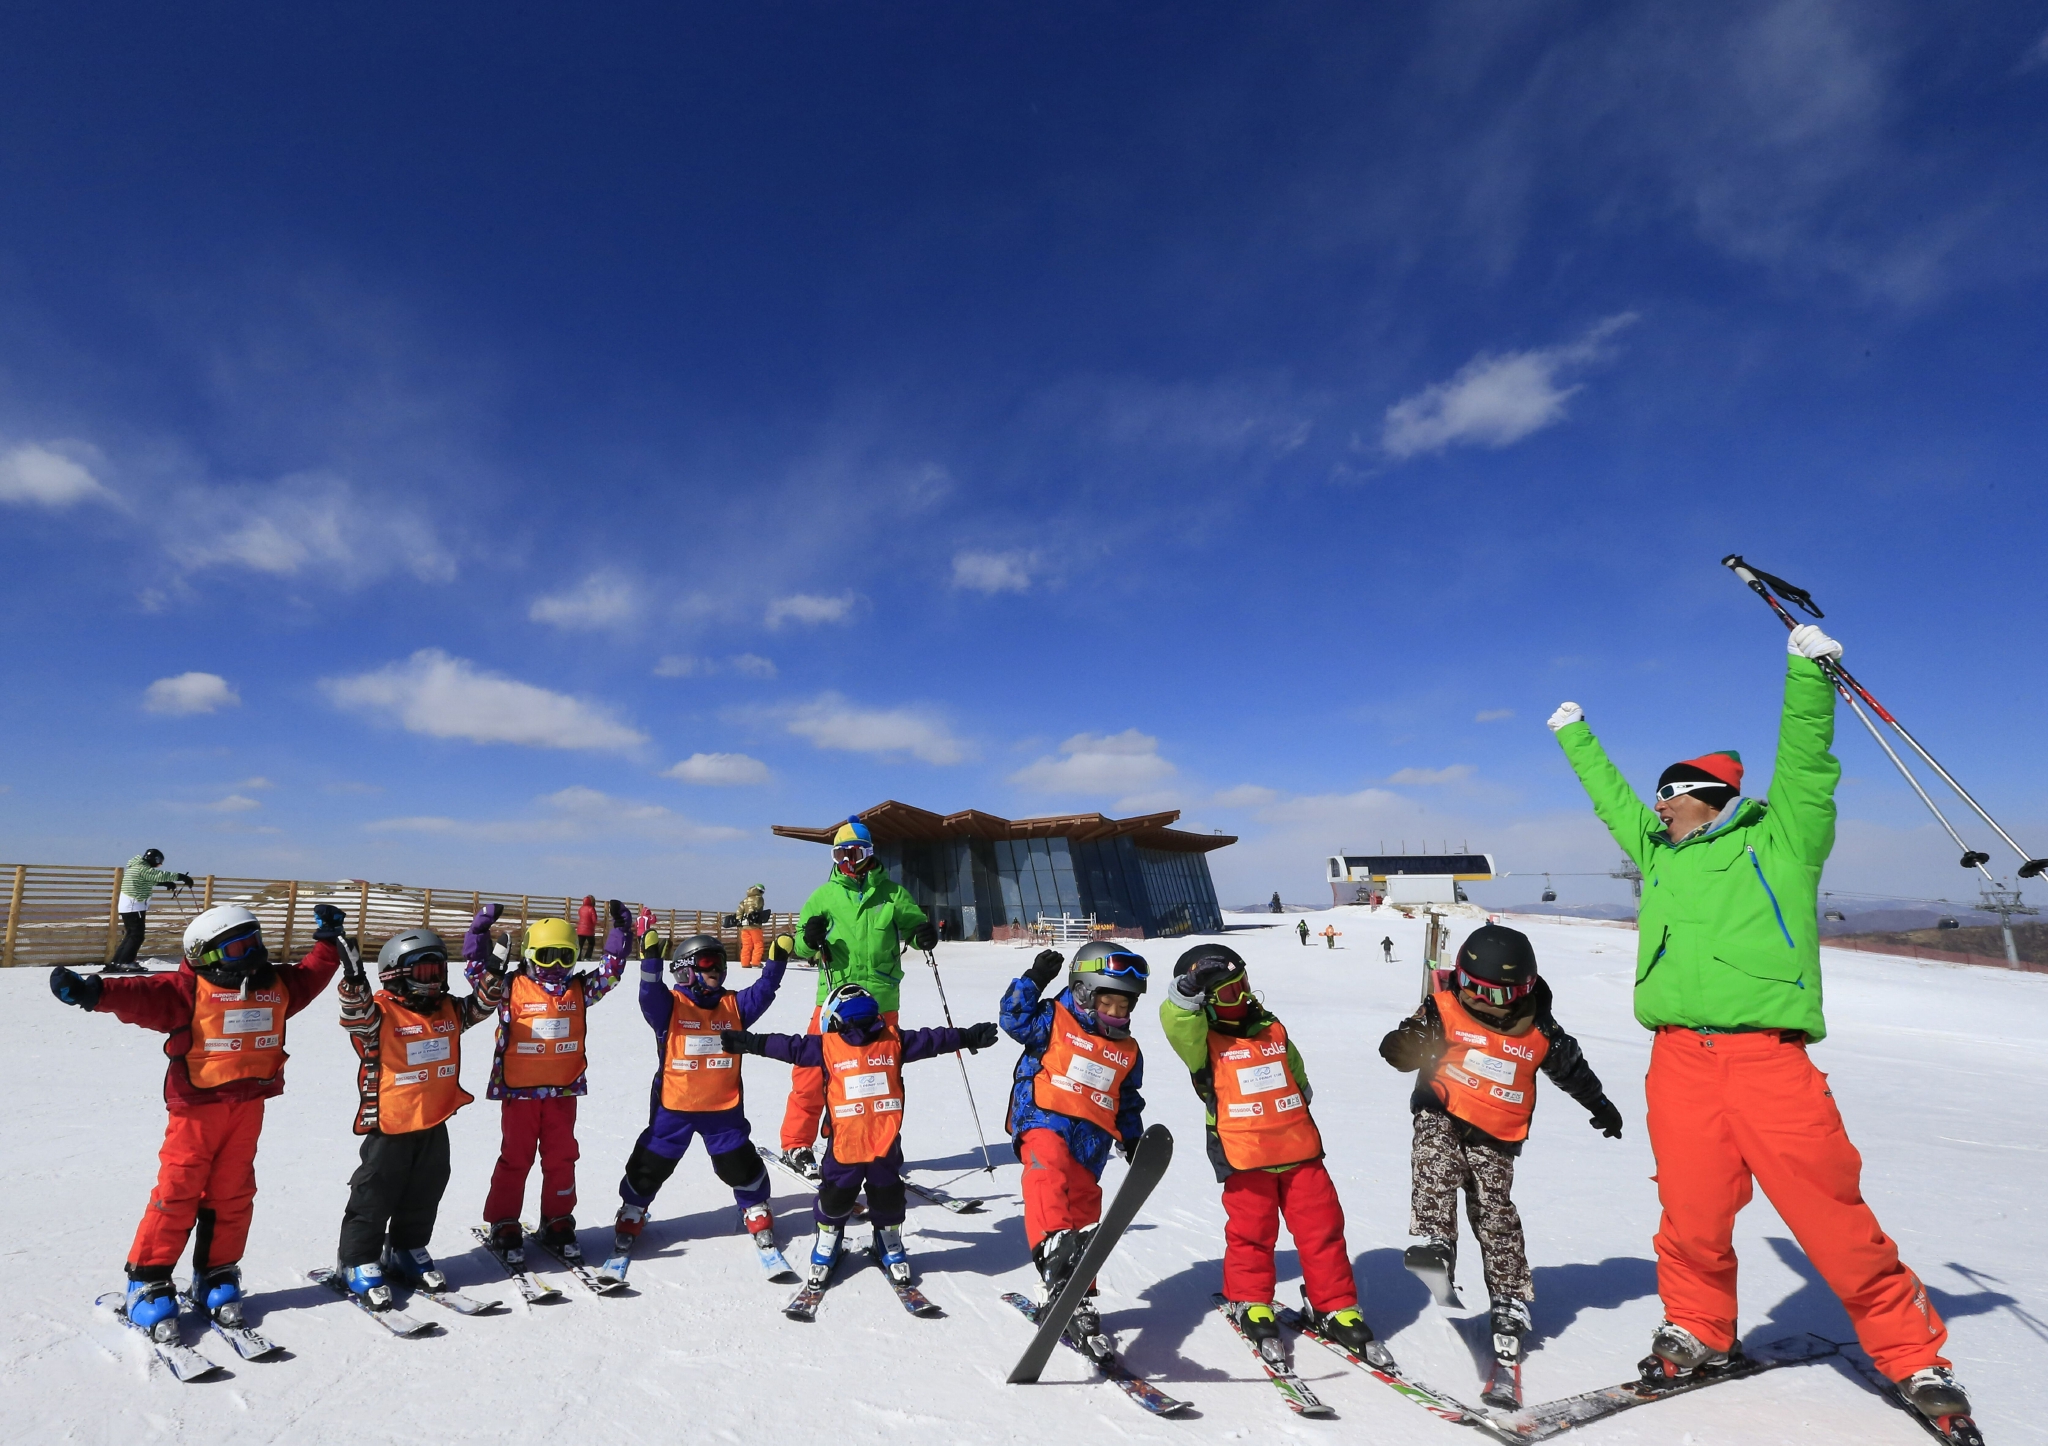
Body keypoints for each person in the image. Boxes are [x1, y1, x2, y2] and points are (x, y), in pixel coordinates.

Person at [1549, 621, 1970, 1426]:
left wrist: (1807, 678)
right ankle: (1700, 1330)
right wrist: (1576, 737)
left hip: (1769, 1062)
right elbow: (1609, 800)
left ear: (1699, 799)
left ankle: (1914, 1359)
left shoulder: (1781, 841)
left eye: (1666, 795)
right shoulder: (1660, 854)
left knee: (1831, 1220)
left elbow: (1808, 768)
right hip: (1676, 1061)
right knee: (1692, 1214)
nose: (1655, 806)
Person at [49, 902, 342, 1335]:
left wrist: (327, 944)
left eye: (255, 942)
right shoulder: (186, 991)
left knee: (234, 1192)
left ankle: (217, 1273)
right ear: (206, 955)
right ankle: (147, 1281)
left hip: (248, 1106)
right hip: (196, 1109)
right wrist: (93, 992)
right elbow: (141, 994)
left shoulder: (276, 985)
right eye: (238, 948)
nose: (252, 955)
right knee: (178, 1190)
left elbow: (311, 974)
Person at [1378, 923, 1623, 1368]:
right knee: (1435, 1157)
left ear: (1522, 989)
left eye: (1492, 994)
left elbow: (1573, 1071)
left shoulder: (1541, 1032)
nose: (1475, 999)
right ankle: (1438, 1241)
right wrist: (1403, 1047)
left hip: (1497, 1132)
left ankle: (1509, 1297)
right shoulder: (1443, 1008)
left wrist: (1600, 1105)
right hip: (1444, 1108)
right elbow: (1412, 1036)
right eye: (1469, 986)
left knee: (1495, 1212)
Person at [1159, 943, 1378, 1355]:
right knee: (1251, 1232)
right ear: (1206, 1002)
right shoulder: (1201, 1041)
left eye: (1243, 985)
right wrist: (1188, 987)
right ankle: (1251, 1299)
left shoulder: (1271, 1027)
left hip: (1298, 1149)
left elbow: (1294, 1070)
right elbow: (1176, 1021)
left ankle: (1335, 1306)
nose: (1242, 998)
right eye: (1227, 993)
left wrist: (1298, 1098)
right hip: (1244, 1155)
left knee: (1322, 1229)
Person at [724, 983, 997, 1285]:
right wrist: (967, 1036)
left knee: (852, 1198)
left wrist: (750, 1042)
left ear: (834, 1020)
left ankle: (886, 1244)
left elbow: (788, 1046)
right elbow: (935, 1039)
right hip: (870, 1146)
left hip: (861, 1147)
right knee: (874, 1197)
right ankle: (832, 1244)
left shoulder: (848, 1043)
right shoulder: (888, 1040)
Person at [333, 926, 504, 1308]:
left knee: (426, 1191)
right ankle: (357, 1260)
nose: (433, 981)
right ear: (395, 973)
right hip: (390, 1126)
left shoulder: (449, 1010)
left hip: (432, 1121)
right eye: (423, 972)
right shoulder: (379, 1014)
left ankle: (407, 1249)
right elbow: (355, 1016)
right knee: (375, 1194)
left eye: (438, 971)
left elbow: (480, 1006)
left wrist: (493, 974)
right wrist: (354, 979)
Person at [611, 929, 790, 1264]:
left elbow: (764, 992)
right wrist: (651, 961)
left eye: (721, 962)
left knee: (737, 1163)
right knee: (652, 1161)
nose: (717, 969)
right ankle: (634, 1208)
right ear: (685, 969)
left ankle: (753, 1205)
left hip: (723, 1109)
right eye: (708, 962)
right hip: (674, 1108)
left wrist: (776, 963)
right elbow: (649, 994)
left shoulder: (733, 1005)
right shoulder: (671, 1006)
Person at [1000, 942, 1147, 1345]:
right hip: (1043, 1119)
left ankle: (1073, 1292)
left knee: (1084, 1204)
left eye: (1125, 1006)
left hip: (1091, 1142)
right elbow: (1013, 1019)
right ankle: (1052, 1250)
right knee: (1045, 1174)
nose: (1117, 1014)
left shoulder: (1127, 1050)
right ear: (1084, 992)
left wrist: (1133, 1138)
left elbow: (1128, 1099)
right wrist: (1033, 980)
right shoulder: (1053, 1018)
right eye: (1109, 1003)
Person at [467, 903, 629, 1263]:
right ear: (528, 954)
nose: (556, 965)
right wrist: (479, 934)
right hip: (520, 1093)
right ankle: (505, 1222)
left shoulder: (579, 990)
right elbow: (477, 974)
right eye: (547, 956)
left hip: (562, 1091)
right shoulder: (509, 987)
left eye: (565, 956)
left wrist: (620, 933)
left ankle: (557, 1219)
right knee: (516, 1158)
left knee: (561, 1157)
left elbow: (611, 972)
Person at [778, 818, 938, 1175]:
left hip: (881, 1003)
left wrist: (923, 937)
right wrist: (810, 937)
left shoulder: (894, 894)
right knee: (811, 1073)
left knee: (879, 1081)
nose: (849, 861)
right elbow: (803, 945)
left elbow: (914, 928)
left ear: (870, 854)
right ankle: (797, 1143)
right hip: (834, 1003)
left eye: (856, 852)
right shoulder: (823, 896)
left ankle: (877, 1144)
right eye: (841, 853)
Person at [107, 848, 193, 973]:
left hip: (131, 905)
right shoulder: (142, 868)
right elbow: (159, 875)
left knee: (132, 934)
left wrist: (164, 884)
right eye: (159, 862)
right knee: (137, 935)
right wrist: (181, 877)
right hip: (134, 905)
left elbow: (146, 880)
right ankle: (125, 962)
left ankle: (117, 962)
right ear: (155, 859)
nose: (159, 865)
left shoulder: (138, 867)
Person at [738, 884, 770, 968]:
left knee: (746, 945)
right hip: (755, 926)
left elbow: (739, 911)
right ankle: (755, 962)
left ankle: (745, 963)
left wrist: (739, 921)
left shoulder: (745, 900)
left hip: (744, 926)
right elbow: (755, 908)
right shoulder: (759, 898)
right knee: (758, 944)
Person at [576, 895, 598, 961]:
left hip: (580, 929)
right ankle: (587, 957)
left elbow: (580, 916)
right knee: (591, 943)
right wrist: (593, 925)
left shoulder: (581, 908)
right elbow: (594, 920)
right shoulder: (591, 909)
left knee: (580, 945)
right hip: (589, 930)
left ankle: (578, 957)